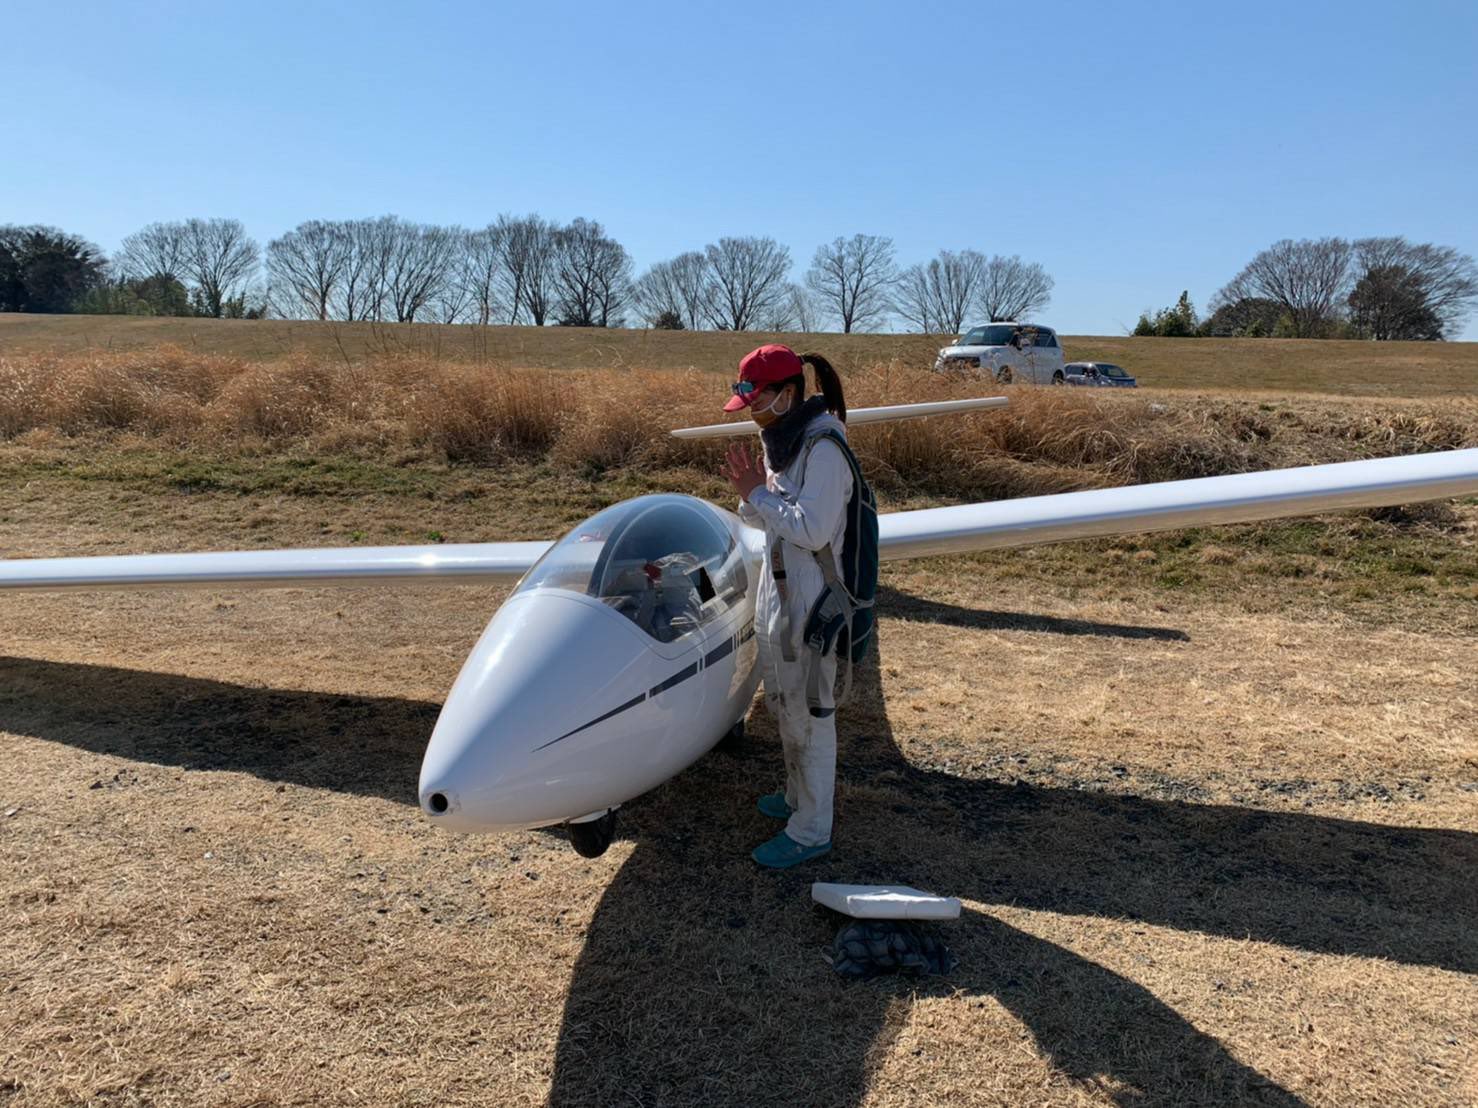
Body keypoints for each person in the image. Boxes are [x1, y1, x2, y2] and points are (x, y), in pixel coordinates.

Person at [720, 343, 852, 869]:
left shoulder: (823, 448)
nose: (751, 410)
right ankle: (797, 798)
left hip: (813, 601)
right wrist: (752, 495)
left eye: (758, 398)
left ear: (789, 393)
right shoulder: (782, 439)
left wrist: (758, 494)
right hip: (779, 593)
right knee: (783, 706)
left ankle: (811, 829)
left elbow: (811, 529)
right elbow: (768, 519)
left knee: (812, 717)